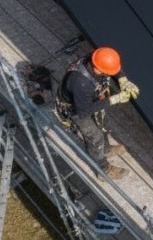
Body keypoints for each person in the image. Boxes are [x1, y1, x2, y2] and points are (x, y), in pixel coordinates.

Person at [57, 47, 139, 180]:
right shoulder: (80, 82)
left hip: (90, 99)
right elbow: (83, 111)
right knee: (95, 137)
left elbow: (114, 68)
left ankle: (106, 149)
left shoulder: (96, 58)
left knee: (102, 124)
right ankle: (102, 169)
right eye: (108, 72)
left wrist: (123, 80)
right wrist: (114, 99)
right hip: (76, 109)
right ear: (100, 70)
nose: (111, 73)